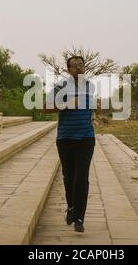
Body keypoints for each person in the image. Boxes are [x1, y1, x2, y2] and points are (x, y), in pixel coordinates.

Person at [45, 56, 96, 233]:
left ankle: (79, 218)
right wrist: (66, 104)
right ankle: (71, 207)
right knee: (69, 177)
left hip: (86, 138)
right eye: (74, 66)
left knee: (82, 177)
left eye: (81, 65)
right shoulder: (60, 87)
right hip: (65, 138)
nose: (78, 68)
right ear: (68, 70)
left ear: (84, 67)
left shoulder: (90, 86)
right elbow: (46, 106)